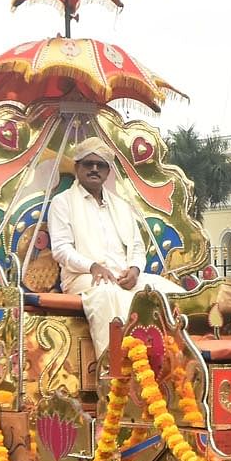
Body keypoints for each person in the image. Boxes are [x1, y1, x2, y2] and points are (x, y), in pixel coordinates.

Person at [45, 137, 183, 355]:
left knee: (168, 291)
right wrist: (93, 267)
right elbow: (61, 249)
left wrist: (135, 270)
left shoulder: (120, 205)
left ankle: (170, 360)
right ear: (77, 167)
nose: (94, 169)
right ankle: (115, 367)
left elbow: (137, 247)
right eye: (88, 164)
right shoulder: (63, 202)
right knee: (107, 294)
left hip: (123, 276)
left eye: (100, 165)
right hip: (84, 277)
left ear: (108, 172)